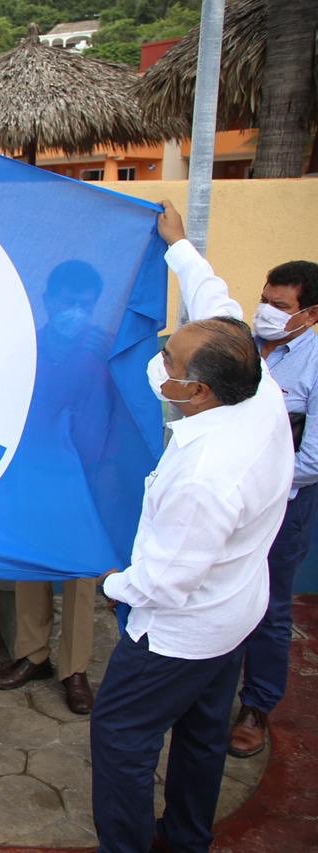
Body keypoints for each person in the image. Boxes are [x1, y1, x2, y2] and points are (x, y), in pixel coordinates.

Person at [91, 201, 293, 853]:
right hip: (233, 615)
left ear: (200, 391)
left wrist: (113, 583)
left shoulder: (206, 474)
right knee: (203, 735)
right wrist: (178, 244)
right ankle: (186, 839)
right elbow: (217, 300)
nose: (162, 364)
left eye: (170, 363)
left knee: (121, 738)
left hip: (179, 634)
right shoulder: (253, 382)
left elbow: (167, 581)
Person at [0, 263, 109, 714]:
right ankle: (32, 653)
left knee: (80, 574)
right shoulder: (27, 349)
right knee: (32, 564)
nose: (74, 312)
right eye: (67, 303)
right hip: (33, 475)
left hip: (84, 477)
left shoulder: (103, 353)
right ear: (48, 301)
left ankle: (74, 669)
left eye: (84, 305)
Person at [229, 257, 318, 757]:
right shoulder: (243, 352)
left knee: (269, 607)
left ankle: (256, 707)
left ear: (310, 313)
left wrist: (262, 485)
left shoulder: (314, 364)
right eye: (264, 299)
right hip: (228, 502)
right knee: (218, 591)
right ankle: (206, 690)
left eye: (280, 306)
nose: (266, 312)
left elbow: (315, 457)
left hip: (283, 506)